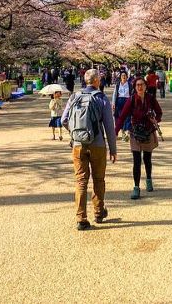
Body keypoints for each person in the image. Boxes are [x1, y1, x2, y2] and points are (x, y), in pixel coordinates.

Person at [61, 69, 117, 230]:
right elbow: (109, 127)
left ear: (85, 81)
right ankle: (99, 212)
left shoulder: (74, 97)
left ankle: (81, 218)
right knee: (98, 179)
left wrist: (75, 133)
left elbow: (64, 119)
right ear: (97, 81)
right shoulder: (101, 98)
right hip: (97, 144)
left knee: (81, 181)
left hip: (78, 145)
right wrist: (113, 149)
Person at [116, 76, 163, 199]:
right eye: (137, 85)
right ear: (135, 87)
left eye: (142, 84)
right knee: (136, 161)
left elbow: (159, 112)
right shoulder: (131, 99)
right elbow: (122, 116)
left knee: (147, 159)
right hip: (135, 133)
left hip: (148, 131)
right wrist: (115, 131)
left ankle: (148, 179)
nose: (140, 87)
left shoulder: (150, 99)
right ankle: (136, 187)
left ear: (146, 86)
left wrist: (155, 120)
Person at [112, 70, 132, 141]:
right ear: (120, 77)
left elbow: (132, 94)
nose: (123, 77)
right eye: (122, 76)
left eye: (125, 76)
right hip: (119, 102)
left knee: (127, 117)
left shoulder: (130, 85)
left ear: (127, 77)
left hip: (127, 102)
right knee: (119, 118)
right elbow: (115, 94)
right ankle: (121, 132)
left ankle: (126, 133)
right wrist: (113, 103)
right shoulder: (117, 85)